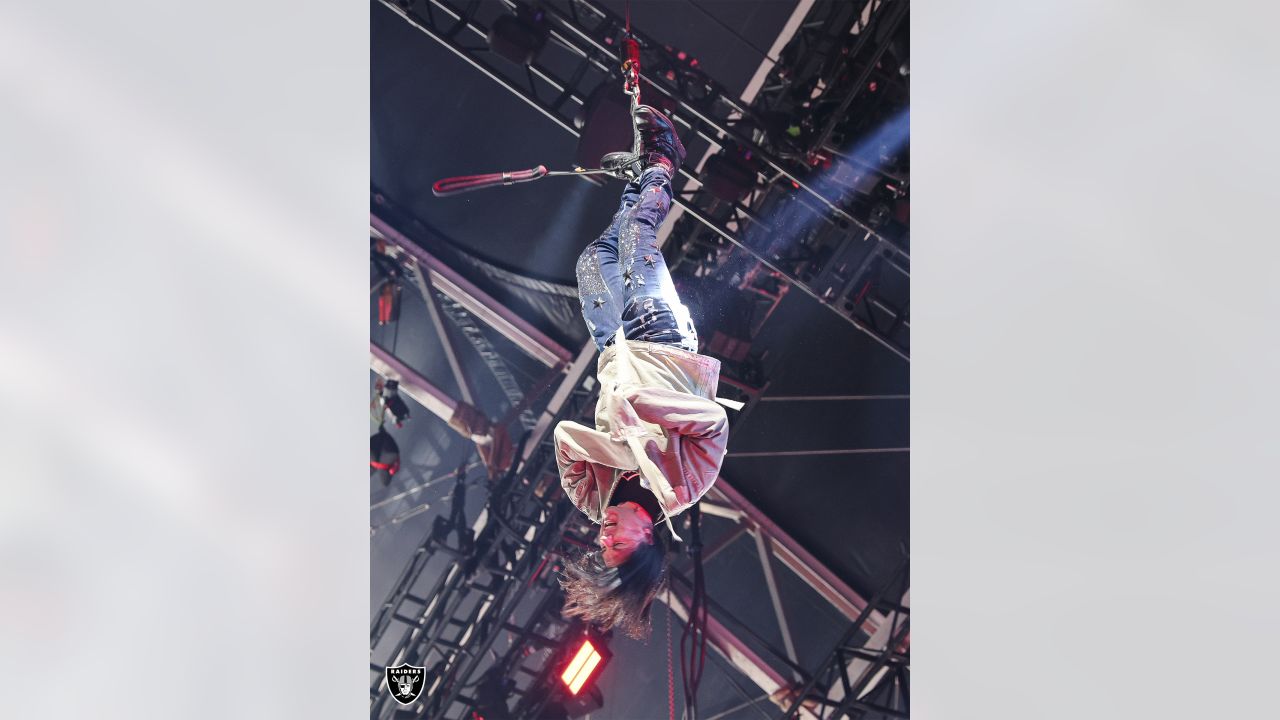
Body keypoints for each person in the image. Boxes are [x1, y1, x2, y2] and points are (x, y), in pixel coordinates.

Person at [554, 105, 733, 639]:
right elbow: (710, 422)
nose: (604, 535)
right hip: (665, 342)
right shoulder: (684, 487)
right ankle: (662, 160)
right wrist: (641, 415)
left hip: (614, 345)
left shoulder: (592, 498)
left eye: (601, 546)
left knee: (594, 259)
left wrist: (620, 443)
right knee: (636, 240)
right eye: (618, 546)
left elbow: (564, 438)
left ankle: (642, 178)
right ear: (647, 539)